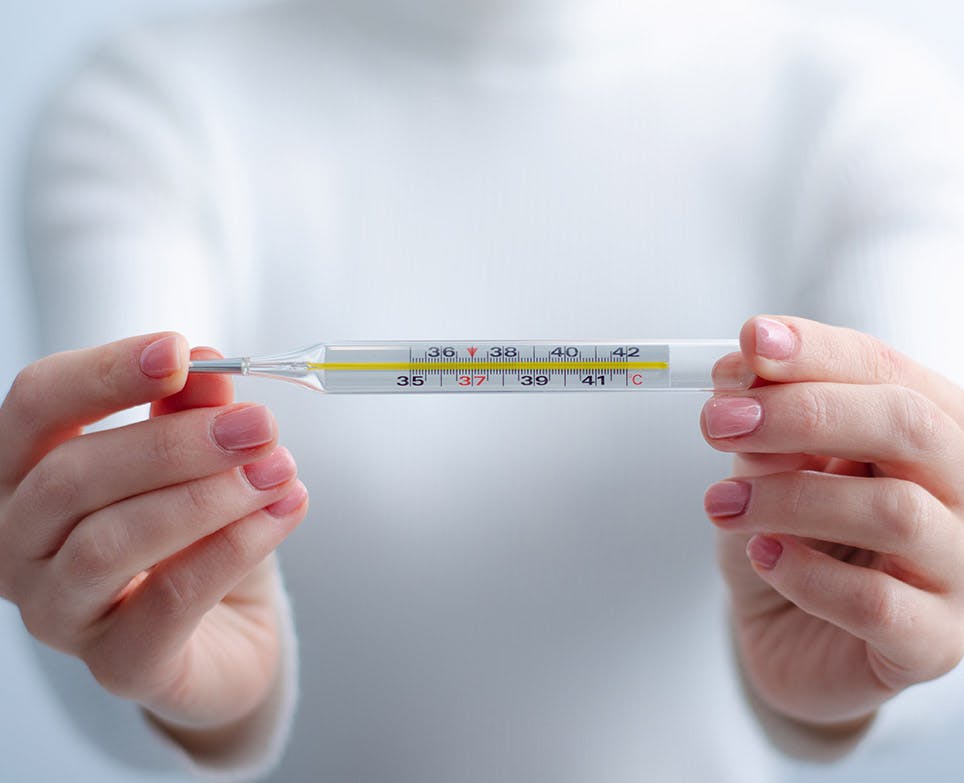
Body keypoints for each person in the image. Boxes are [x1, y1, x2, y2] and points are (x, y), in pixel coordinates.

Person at [4, 0, 964, 781]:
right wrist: (162, 665)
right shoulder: (154, 106)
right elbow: (110, 620)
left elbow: (933, 605)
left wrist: (881, 647)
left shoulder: (874, 114)